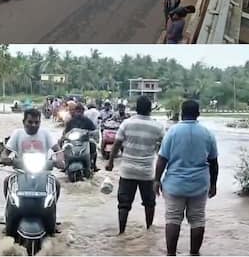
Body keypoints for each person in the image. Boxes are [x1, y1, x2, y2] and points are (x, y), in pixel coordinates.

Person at [155, 99, 218, 256]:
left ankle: (171, 254)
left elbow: (162, 159)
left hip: (174, 185)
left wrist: (156, 180)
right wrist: (213, 184)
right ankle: (194, 253)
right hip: (199, 185)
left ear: (182, 113)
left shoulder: (172, 132)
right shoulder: (207, 134)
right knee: (198, 219)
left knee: (173, 219)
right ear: (198, 113)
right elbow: (214, 162)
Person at [105, 96, 164, 235]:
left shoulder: (126, 123)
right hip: (147, 172)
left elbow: (116, 144)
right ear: (150, 109)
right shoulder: (157, 127)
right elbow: (164, 150)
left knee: (124, 204)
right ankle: (149, 230)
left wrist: (110, 161)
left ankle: (121, 232)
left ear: (136, 108)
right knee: (149, 203)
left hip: (127, 171)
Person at [1, 109, 61, 204]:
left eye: (36, 122)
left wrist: (60, 160)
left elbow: (57, 150)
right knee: (7, 182)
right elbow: (5, 152)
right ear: (23, 122)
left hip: (43, 172)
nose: (33, 125)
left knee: (56, 184)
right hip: (21, 172)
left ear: (40, 122)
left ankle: (51, 209)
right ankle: (9, 210)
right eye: (30, 122)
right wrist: (5, 158)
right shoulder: (17, 133)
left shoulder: (45, 133)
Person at [61, 102, 98, 171]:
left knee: (93, 144)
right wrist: (63, 137)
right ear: (75, 111)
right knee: (63, 145)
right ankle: (65, 163)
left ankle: (94, 164)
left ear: (83, 111)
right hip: (72, 141)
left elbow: (94, 130)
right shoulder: (71, 121)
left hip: (84, 140)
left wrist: (91, 133)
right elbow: (66, 131)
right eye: (77, 110)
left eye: (81, 110)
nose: (79, 112)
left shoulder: (87, 121)